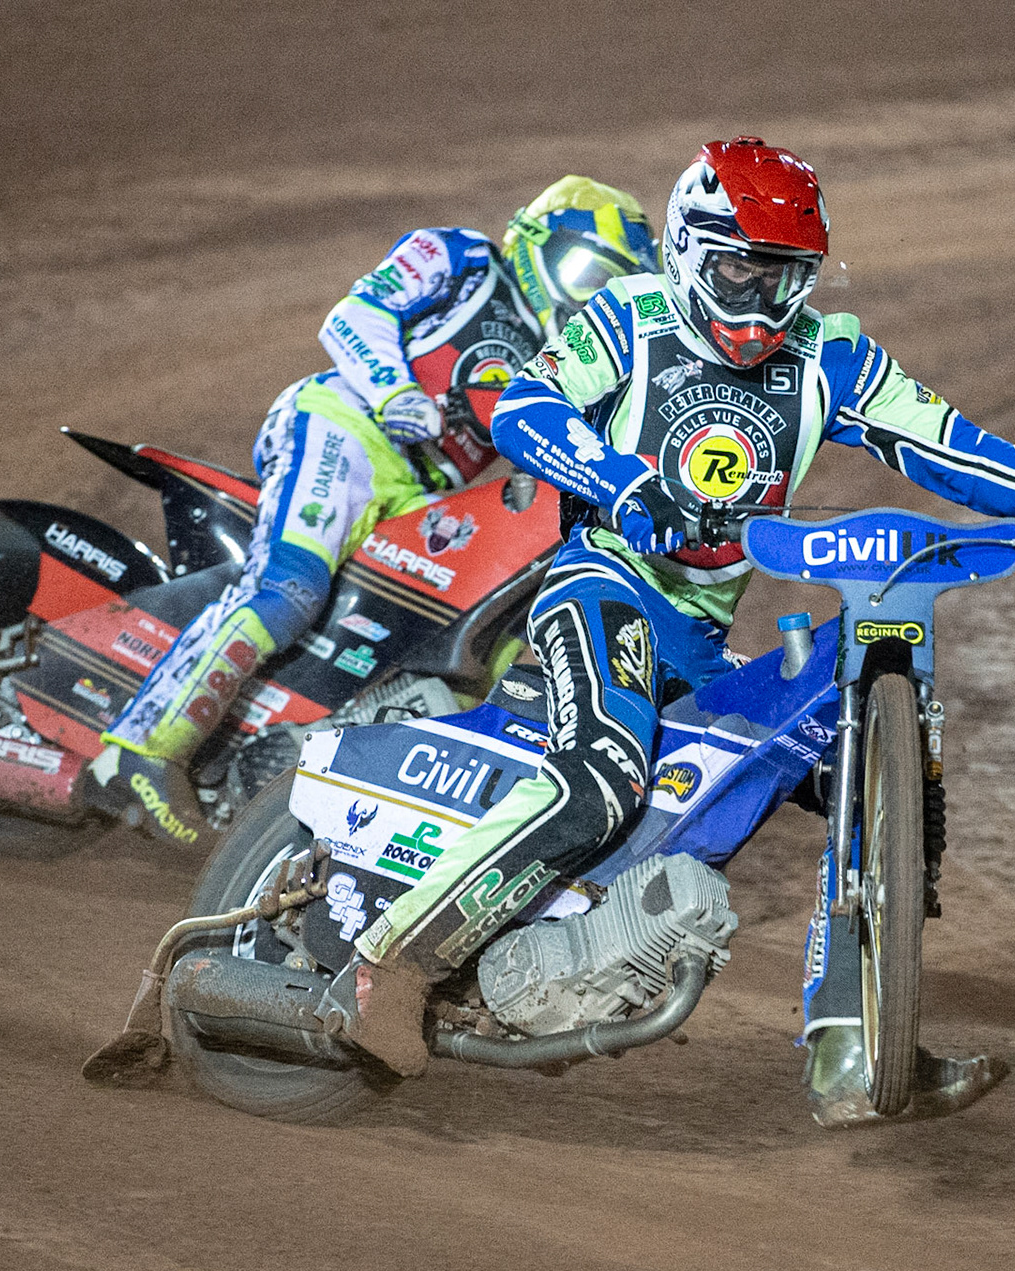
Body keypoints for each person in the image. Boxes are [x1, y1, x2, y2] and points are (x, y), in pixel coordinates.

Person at [337, 138, 1015, 1099]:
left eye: (783, 278)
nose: (760, 304)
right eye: (738, 272)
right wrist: (626, 485)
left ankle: (856, 1046)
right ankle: (393, 966)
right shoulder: (628, 318)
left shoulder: (830, 354)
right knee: (604, 775)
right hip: (603, 588)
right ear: (686, 249)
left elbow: (945, 441)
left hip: (701, 639)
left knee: (856, 766)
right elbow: (526, 408)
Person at [98, 178, 659, 838]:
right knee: (288, 589)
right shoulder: (463, 258)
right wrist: (394, 392)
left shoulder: (567, 363)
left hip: (422, 490)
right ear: (538, 240)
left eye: (606, 285)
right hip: (347, 426)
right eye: (585, 270)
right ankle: (138, 752)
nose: (585, 293)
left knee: (463, 642)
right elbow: (353, 314)